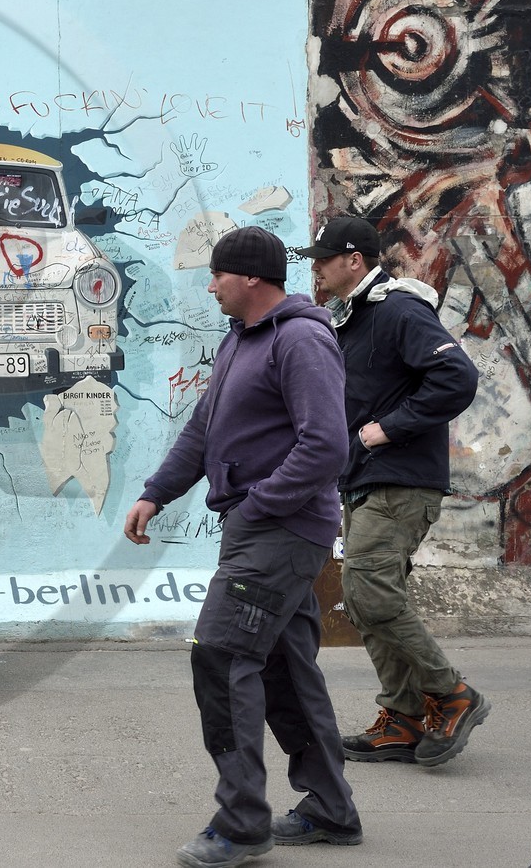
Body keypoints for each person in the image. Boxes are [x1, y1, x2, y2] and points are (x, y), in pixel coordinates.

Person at [124, 225, 362, 868]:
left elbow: (326, 446)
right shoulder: (240, 342)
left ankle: (242, 822)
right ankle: (330, 809)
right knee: (284, 667)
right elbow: (203, 430)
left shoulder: (302, 339)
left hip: (279, 530)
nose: (210, 286)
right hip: (262, 529)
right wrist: (156, 492)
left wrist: (259, 504)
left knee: (223, 656)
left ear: (251, 277)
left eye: (218, 275)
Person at [294, 215, 487, 768]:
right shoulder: (352, 318)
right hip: (365, 480)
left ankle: (452, 694)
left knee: (371, 593)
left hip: (400, 480)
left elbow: (458, 378)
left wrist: (388, 427)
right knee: (364, 599)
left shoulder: (399, 309)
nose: (317, 269)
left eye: (324, 259)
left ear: (355, 259)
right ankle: (402, 717)